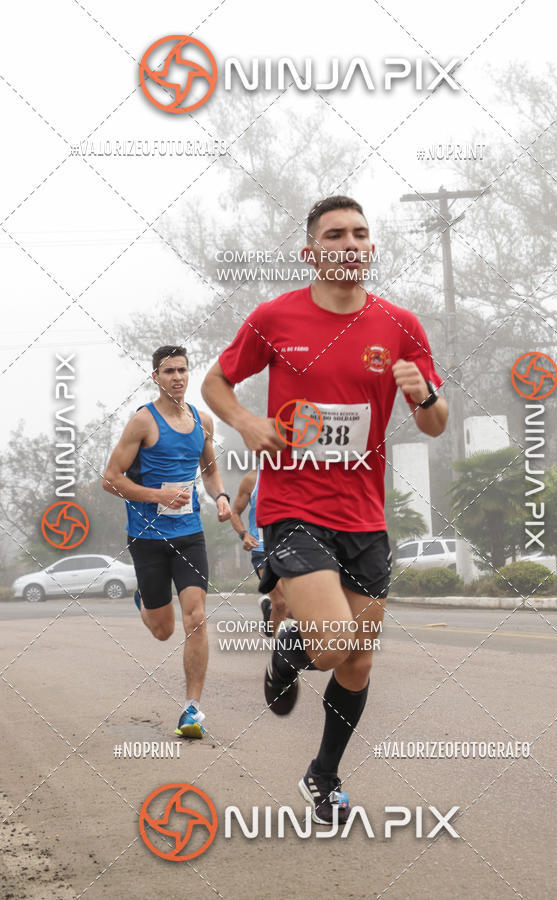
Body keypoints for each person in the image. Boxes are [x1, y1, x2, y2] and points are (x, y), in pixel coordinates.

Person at [201, 196, 448, 822]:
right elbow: (215, 383)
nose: (350, 243)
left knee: (359, 659)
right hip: (292, 505)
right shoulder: (274, 318)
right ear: (311, 252)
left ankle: (322, 774)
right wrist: (246, 422)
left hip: (364, 515)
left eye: (361, 234)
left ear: (371, 248)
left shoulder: (400, 325)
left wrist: (426, 396)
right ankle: (291, 648)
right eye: (334, 234)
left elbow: (437, 423)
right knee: (335, 642)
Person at [103, 345, 231, 739]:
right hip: (147, 538)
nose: (177, 376)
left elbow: (208, 470)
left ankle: (192, 709)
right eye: (169, 370)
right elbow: (110, 478)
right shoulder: (143, 421)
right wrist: (157, 495)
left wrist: (221, 495)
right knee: (163, 630)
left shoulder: (201, 420)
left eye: (183, 370)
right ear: (155, 376)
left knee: (196, 618)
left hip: (189, 535)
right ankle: (144, 598)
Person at [230, 468, 289, 636]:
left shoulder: (298, 475)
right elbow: (235, 513)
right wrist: (244, 534)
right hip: (262, 547)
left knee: (296, 605)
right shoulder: (252, 479)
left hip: (291, 546)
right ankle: (281, 652)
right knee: (282, 602)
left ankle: (269, 610)